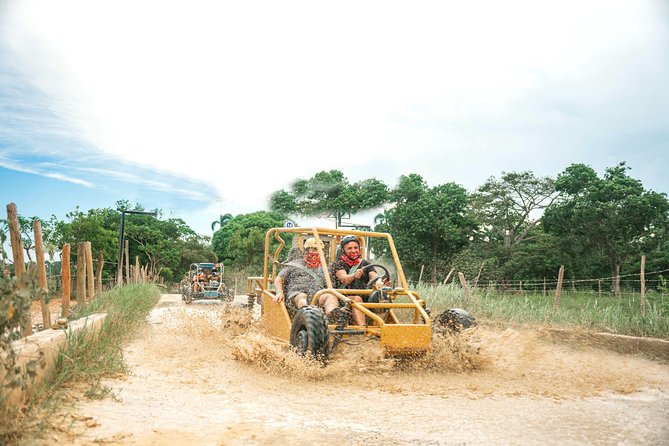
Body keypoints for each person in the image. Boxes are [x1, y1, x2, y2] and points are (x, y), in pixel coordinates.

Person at [273, 237, 339, 320]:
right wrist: (279, 292)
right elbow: (279, 279)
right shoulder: (294, 264)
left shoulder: (325, 269)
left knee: (330, 296)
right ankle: (311, 321)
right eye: (314, 249)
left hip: (317, 294)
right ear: (306, 250)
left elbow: (330, 287)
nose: (316, 252)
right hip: (297, 294)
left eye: (319, 250)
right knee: (303, 299)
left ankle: (332, 318)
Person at [331, 234, 389, 326]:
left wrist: (381, 282)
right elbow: (344, 279)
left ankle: (379, 328)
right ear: (343, 250)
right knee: (357, 298)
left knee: (382, 297)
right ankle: (363, 330)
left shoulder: (365, 263)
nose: (353, 251)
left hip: (364, 296)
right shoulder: (338, 264)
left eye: (355, 248)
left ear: (359, 249)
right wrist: (353, 275)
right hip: (344, 298)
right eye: (349, 248)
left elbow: (374, 277)